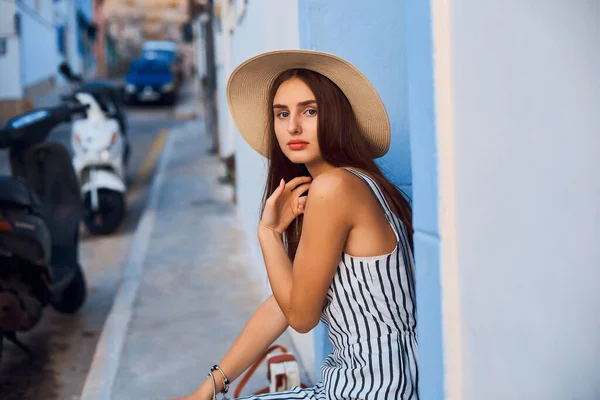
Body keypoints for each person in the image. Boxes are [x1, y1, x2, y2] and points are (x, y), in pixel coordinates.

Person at [171, 50, 418, 400]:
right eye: (282, 114)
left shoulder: (335, 188)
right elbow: (282, 305)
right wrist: (207, 389)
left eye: (310, 111)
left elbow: (301, 317)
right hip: (369, 386)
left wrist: (269, 234)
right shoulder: (356, 183)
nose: (293, 127)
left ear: (336, 117)